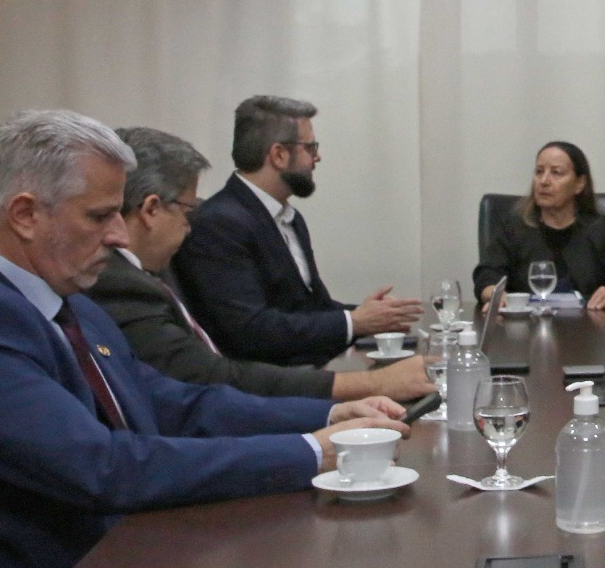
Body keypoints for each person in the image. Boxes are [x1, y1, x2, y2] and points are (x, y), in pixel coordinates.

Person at [0, 110, 411, 568]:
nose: (118, 234)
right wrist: (304, 454)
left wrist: (322, 420)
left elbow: (176, 403)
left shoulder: (68, 304)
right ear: (24, 215)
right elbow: (104, 468)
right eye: (100, 215)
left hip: (132, 556)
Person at [88, 127, 438, 402]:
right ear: (150, 210)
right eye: (189, 210)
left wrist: (358, 322)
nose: (192, 225)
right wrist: (366, 384)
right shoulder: (119, 282)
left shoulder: (149, 268)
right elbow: (215, 373)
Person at [173, 96, 420, 366]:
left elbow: (314, 309)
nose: (318, 157)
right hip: (271, 388)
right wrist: (355, 321)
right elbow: (250, 330)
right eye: (310, 147)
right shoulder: (219, 223)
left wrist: (371, 317)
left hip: (311, 369)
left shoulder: (290, 218)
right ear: (279, 155)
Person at [473, 141, 605, 311]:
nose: (544, 181)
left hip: (589, 327)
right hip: (527, 329)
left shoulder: (599, 228)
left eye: (556, 173)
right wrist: (495, 293)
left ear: (579, 184)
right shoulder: (513, 226)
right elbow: (487, 276)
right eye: (539, 172)